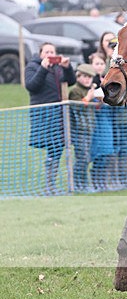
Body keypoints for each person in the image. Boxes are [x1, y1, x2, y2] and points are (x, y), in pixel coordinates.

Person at [25, 42, 76, 194]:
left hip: (59, 114)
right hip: (43, 115)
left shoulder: (58, 67)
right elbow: (31, 85)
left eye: (52, 52)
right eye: (46, 51)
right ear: (40, 54)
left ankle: (51, 185)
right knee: (50, 145)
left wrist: (68, 67)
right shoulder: (32, 67)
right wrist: (43, 68)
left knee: (57, 147)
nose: (49, 54)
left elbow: (71, 81)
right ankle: (49, 186)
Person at [98, 30, 127, 186]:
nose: (114, 48)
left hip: (125, 115)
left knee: (123, 148)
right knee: (110, 148)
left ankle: (121, 180)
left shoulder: (126, 64)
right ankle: (112, 180)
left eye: (116, 45)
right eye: (111, 46)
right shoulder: (104, 63)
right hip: (108, 114)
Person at [68, 63, 98, 192]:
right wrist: (88, 98)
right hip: (79, 130)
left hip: (89, 129)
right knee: (81, 158)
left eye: (90, 77)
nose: (87, 80)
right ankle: (78, 184)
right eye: (84, 76)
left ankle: (83, 184)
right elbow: (77, 106)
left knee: (86, 158)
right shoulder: (75, 90)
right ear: (78, 77)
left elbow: (94, 107)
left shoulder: (88, 90)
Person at [88, 51, 115, 190]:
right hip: (95, 121)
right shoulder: (89, 81)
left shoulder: (106, 79)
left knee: (107, 152)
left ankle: (102, 181)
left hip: (106, 119)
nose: (99, 66)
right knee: (98, 153)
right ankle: (95, 181)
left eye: (101, 63)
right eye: (96, 63)